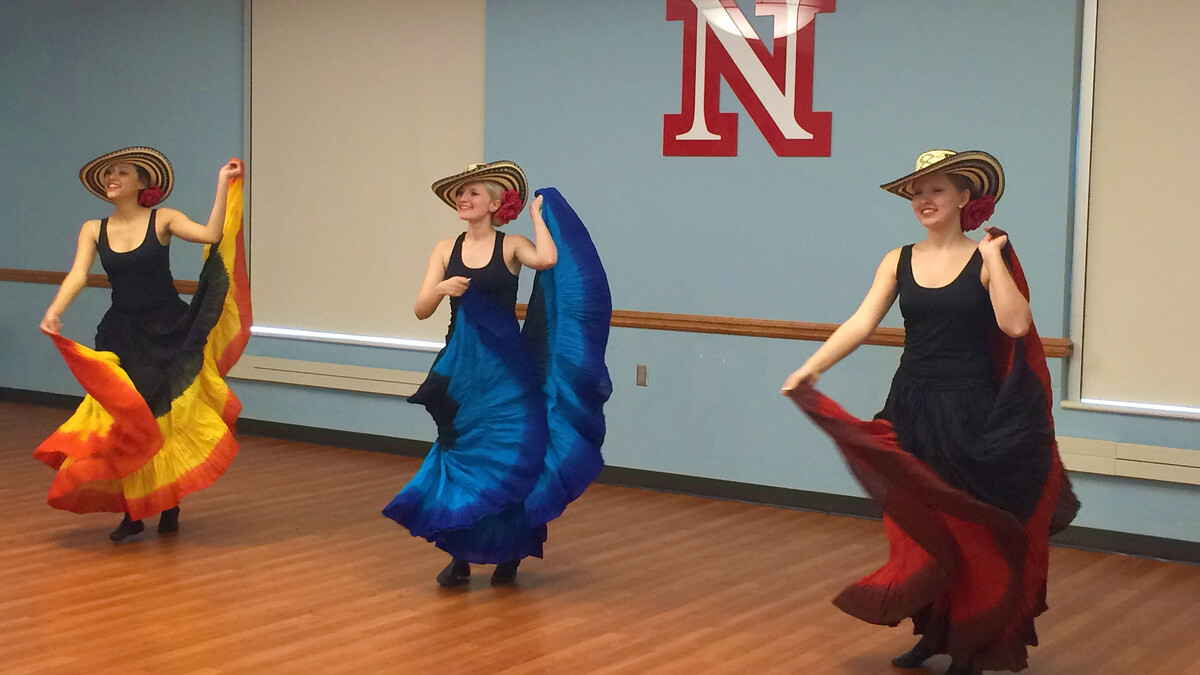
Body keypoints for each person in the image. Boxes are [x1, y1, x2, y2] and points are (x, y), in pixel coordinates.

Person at [783, 150, 1078, 675]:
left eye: (936, 190)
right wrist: (812, 368)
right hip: (911, 404)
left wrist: (993, 261)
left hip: (970, 410)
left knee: (967, 531)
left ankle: (970, 644)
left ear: (964, 197)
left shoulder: (989, 257)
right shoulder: (897, 259)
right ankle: (931, 634)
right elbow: (861, 322)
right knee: (918, 528)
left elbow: (1015, 326)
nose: (924, 200)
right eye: (917, 192)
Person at [384, 161, 612, 588]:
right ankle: (460, 556)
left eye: (471, 193)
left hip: (508, 373)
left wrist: (539, 217)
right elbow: (420, 309)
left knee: (511, 457)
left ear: (493, 202)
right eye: (459, 194)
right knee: (462, 457)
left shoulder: (511, 247)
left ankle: (511, 551)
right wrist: (441, 289)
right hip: (462, 369)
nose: (463, 200)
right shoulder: (443, 249)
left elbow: (547, 259)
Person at [35, 147, 251, 542]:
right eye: (107, 175)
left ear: (142, 183)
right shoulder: (92, 228)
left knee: (159, 420)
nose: (111, 178)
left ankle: (167, 504)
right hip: (120, 334)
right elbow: (77, 276)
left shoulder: (163, 219)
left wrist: (223, 183)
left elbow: (211, 235)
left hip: (167, 329)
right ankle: (133, 512)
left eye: (120, 172)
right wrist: (54, 311)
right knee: (124, 422)